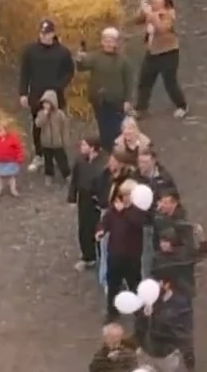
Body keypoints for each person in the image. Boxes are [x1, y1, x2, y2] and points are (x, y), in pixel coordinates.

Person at [152, 191, 205, 372]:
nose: (163, 244)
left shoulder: (182, 228)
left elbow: (196, 253)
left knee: (182, 328)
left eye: (165, 202)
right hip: (167, 290)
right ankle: (166, 362)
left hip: (181, 290)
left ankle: (188, 362)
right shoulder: (160, 252)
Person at [137, 276, 191, 372]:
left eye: (161, 283)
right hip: (148, 349)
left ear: (168, 285)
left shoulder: (178, 304)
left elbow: (178, 328)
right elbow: (139, 324)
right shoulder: (150, 301)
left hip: (167, 351)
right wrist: (143, 315)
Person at [133, 0, 188, 119]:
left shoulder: (169, 13)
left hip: (168, 52)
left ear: (165, 0)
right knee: (145, 80)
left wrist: (151, 15)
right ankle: (141, 108)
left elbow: (162, 28)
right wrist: (141, 10)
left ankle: (182, 105)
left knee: (170, 82)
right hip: (152, 52)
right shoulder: (150, 11)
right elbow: (136, 20)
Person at [18, 18, 76, 141]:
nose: (44, 36)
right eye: (42, 33)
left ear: (53, 33)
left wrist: (59, 85)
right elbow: (25, 73)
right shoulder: (30, 51)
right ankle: (39, 154)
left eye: (47, 33)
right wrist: (23, 93)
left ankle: (56, 153)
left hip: (56, 96)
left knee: (56, 126)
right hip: (36, 95)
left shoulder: (63, 52)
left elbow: (69, 71)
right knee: (37, 125)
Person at [99, 179, 149, 321]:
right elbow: (105, 222)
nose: (125, 197)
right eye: (123, 194)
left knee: (134, 284)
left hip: (132, 255)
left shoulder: (138, 210)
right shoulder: (114, 210)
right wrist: (101, 230)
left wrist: (124, 212)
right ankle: (112, 312)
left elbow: (138, 223)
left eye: (128, 194)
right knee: (113, 285)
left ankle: (139, 311)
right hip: (115, 254)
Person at [81, 28, 135, 149]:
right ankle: (106, 148)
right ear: (102, 42)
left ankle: (118, 149)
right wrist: (80, 58)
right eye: (106, 40)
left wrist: (128, 100)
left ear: (116, 43)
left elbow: (129, 82)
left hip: (116, 101)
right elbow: (83, 66)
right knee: (102, 125)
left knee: (116, 126)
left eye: (111, 41)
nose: (108, 44)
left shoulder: (123, 61)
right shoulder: (95, 57)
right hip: (99, 100)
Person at [68, 137, 108, 271]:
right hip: (84, 199)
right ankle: (88, 257)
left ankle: (102, 257)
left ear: (92, 147)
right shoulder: (80, 161)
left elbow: (106, 185)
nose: (81, 147)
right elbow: (74, 180)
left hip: (97, 201)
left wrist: (103, 203)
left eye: (84, 144)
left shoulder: (103, 164)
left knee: (98, 228)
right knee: (84, 228)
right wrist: (72, 198)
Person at [30, 91, 70, 182]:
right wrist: (44, 115)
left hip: (58, 143)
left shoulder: (59, 114)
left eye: (48, 103)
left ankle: (67, 174)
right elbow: (38, 124)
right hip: (46, 143)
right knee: (48, 161)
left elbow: (64, 128)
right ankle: (49, 175)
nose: (46, 105)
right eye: (44, 103)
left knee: (62, 160)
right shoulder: (41, 114)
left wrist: (65, 140)